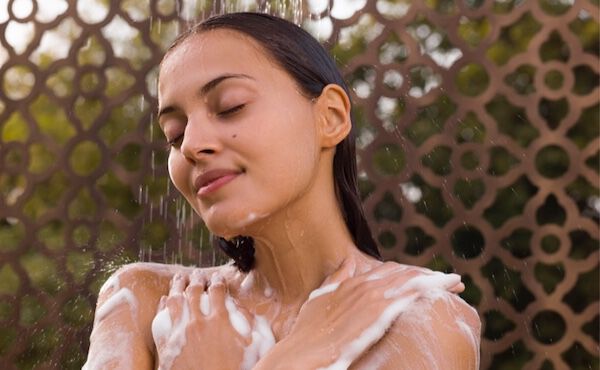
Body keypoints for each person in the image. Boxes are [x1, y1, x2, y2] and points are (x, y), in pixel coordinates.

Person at [84, 12, 480, 370]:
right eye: (175, 133)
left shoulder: (417, 318)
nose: (190, 144)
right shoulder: (142, 299)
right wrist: (299, 354)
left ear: (330, 117)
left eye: (230, 106)